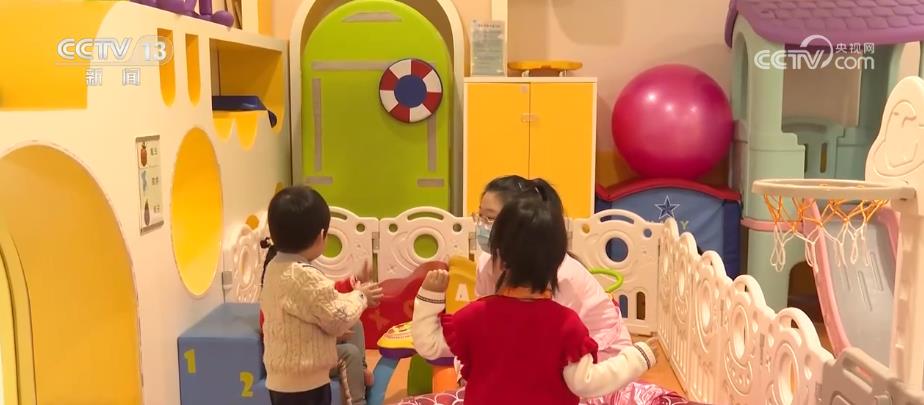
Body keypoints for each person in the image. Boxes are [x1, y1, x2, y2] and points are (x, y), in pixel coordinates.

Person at [410, 188, 656, 404]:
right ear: (558, 260)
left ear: (500, 256)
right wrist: (638, 356)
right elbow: (586, 383)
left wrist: (430, 298)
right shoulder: (566, 324)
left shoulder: (475, 316)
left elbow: (429, 345)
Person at [473, 176, 633, 359]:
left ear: (522, 222)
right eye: (480, 216)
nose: (481, 225)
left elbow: (549, 344)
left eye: (490, 218)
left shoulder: (560, 274)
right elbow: (482, 321)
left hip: (601, 354)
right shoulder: (487, 261)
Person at [261, 185, 383, 405]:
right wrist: (361, 296)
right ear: (321, 236)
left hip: (281, 379)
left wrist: (353, 286)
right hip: (306, 380)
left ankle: (360, 370)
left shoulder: (274, 268)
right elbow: (338, 318)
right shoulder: (304, 275)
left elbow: (321, 300)